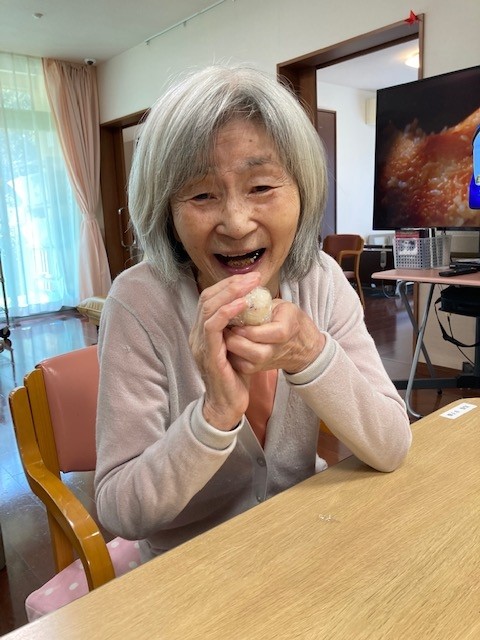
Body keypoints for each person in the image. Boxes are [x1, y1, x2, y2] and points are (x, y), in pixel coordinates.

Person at [94, 64, 412, 561]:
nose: (237, 224)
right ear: (167, 212)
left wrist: (310, 352)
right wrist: (214, 415)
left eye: (261, 187)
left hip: (303, 538)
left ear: (302, 191)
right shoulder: (139, 303)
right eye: (201, 194)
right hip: (189, 566)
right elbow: (120, 512)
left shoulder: (321, 280)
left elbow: (391, 446)